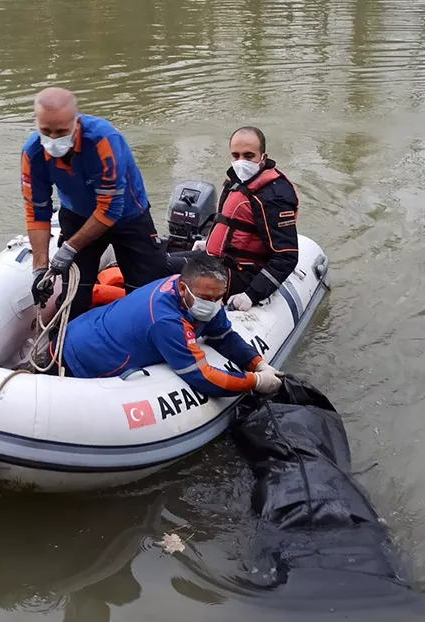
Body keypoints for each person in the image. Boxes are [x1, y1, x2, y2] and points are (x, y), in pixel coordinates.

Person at [21, 87, 166, 321]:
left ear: (76, 122)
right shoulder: (33, 152)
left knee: (146, 296)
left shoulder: (103, 140)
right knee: (74, 298)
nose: (54, 139)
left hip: (128, 216)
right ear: (36, 123)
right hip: (77, 215)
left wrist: (70, 248)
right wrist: (40, 268)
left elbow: (111, 208)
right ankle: (64, 347)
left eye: (61, 131)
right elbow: (36, 211)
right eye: (46, 131)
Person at [56, 256, 282, 397]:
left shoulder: (199, 297)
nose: (213, 304)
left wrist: (258, 363)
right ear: (183, 289)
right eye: (206, 297)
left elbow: (223, 335)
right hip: (78, 358)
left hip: (89, 330)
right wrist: (255, 382)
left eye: (218, 297)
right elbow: (203, 378)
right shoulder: (167, 321)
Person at [168, 126, 299, 311]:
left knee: (162, 271)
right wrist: (210, 242)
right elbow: (232, 224)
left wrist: (251, 294)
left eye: (249, 155)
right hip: (217, 260)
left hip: (243, 274)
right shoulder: (236, 181)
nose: (241, 162)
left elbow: (286, 256)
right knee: (158, 262)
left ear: (263, 156)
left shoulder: (274, 197)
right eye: (235, 155)